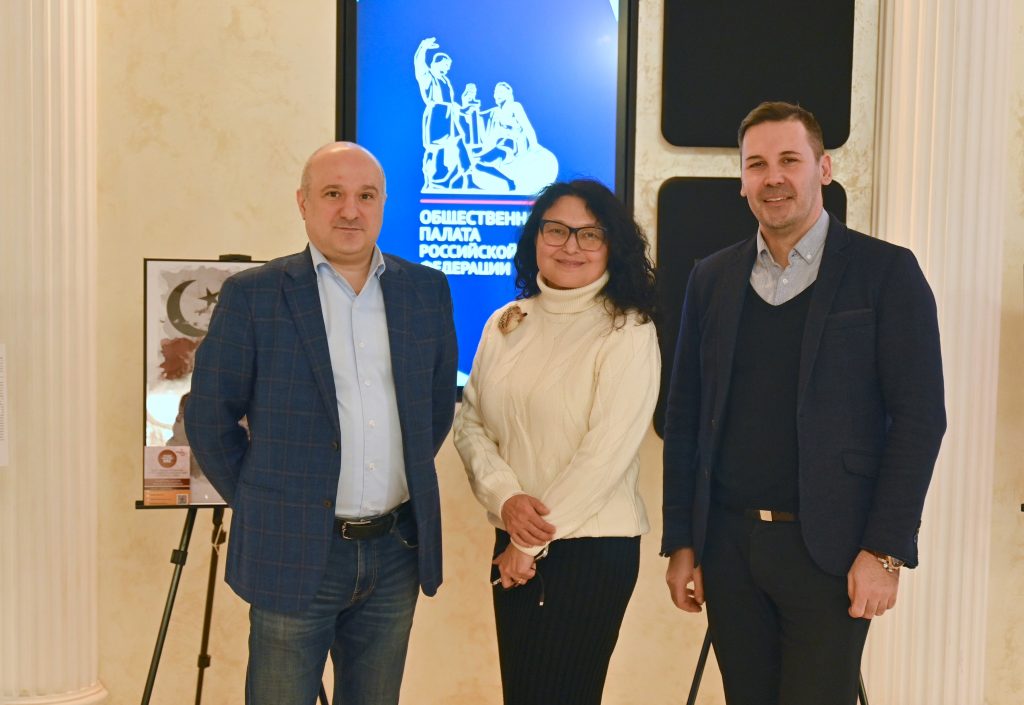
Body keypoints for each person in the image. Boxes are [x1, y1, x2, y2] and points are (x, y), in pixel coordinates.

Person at [661, 101, 946, 705]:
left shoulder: (887, 273)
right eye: (757, 165)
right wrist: (683, 542)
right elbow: (684, 418)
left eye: (790, 160)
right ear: (742, 181)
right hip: (729, 549)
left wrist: (885, 551)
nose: (774, 178)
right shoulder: (711, 278)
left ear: (824, 168)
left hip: (833, 552)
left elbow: (920, 420)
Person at [185, 142, 458, 705]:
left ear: (383, 204)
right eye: (333, 194)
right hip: (293, 549)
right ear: (303, 203)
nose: (350, 210)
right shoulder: (254, 296)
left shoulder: (425, 291)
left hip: (394, 550)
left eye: (366, 196)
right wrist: (262, 500)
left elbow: (432, 411)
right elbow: (209, 416)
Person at [454, 179, 659, 705]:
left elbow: (604, 456)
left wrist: (528, 543)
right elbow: (471, 423)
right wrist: (506, 499)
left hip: (591, 550)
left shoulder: (628, 331)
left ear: (612, 245)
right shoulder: (506, 323)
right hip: (512, 540)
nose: (571, 246)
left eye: (590, 234)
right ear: (535, 238)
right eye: (556, 230)